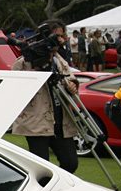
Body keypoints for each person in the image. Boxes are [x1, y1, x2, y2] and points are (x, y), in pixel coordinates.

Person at [11, 21, 78, 174]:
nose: (61, 40)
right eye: (58, 36)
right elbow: (16, 89)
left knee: (70, 162)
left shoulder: (59, 59)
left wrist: (73, 84)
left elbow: (70, 78)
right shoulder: (24, 62)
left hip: (61, 120)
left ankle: (59, 188)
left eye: (63, 36)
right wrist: (34, 70)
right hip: (37, 122)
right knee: (42, 167)